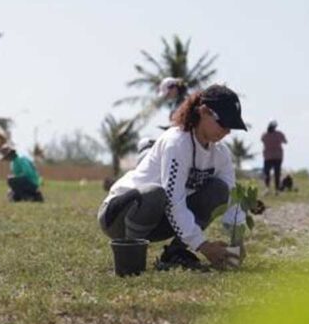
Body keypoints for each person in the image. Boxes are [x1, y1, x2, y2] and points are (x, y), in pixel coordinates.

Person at [97, 84, 248, 271]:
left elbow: (232, 194)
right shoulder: (176, 143)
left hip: (158, 218)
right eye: (223, 124)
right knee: (155, 193)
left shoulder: (220, 153)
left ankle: (175, 254)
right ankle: (130, 256)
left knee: (218, 190)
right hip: (118, 215)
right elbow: (173, 200)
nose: (226, 132)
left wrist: (237, 238)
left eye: (231, 127)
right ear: (204, 111)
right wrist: (204, 246)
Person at [261, 120, 287, 193]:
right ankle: (277, 189)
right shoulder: (279, 134)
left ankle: (267, 188)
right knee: (277, 173)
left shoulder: (264, 135)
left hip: (267, 157)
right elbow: (285, 141)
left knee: (267, 173)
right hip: (277, 156)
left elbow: (262, 140)